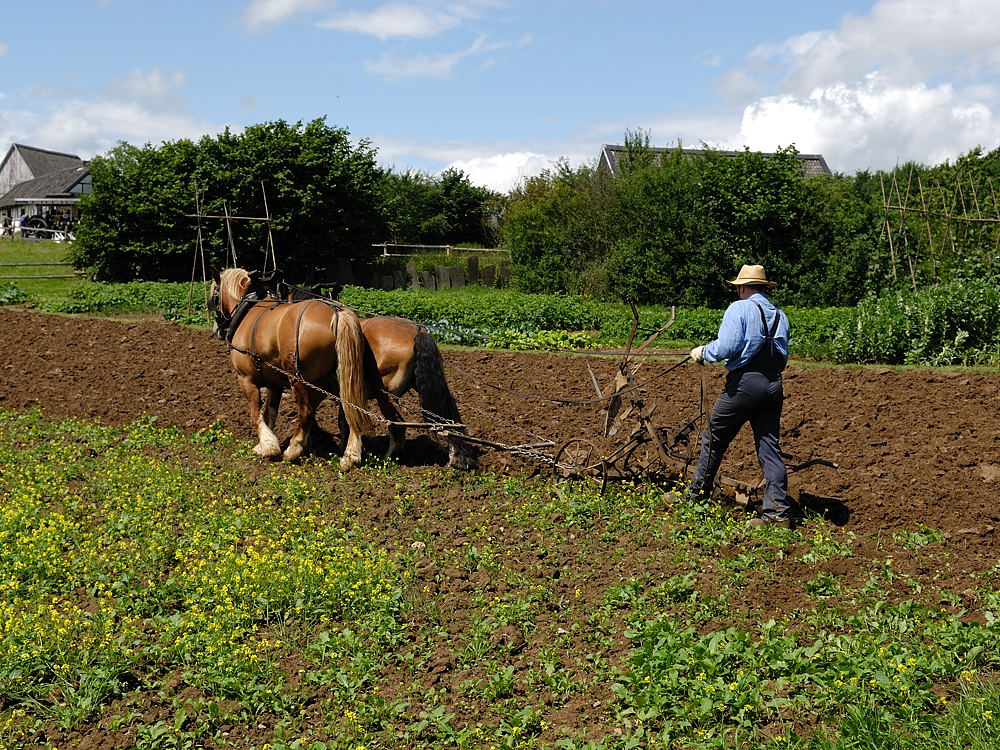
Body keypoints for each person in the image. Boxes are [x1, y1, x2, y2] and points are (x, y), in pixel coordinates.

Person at [687, 264, 793, 528]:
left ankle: (695, 497)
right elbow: (782, 355)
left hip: (744, 385)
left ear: (743, 287)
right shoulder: (780, 315)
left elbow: (728, 346)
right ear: (764, 288)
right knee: (769, 446)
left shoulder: (739, 308)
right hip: (772, 385)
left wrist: (703, 352)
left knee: (713, 437)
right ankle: (777, 514)